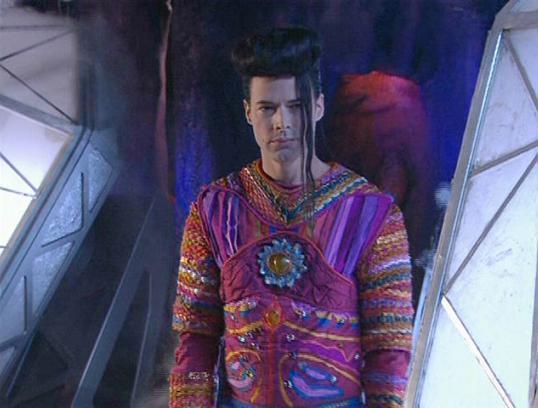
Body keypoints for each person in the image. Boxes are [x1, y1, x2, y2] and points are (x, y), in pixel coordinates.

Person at [169, 26, 413, 408]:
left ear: (318, 106)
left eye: (295, 106)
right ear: (248, 113)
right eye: (267, 108)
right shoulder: (213, 210)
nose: (281, 122)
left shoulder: (372, 214)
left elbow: (390, 350)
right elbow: (195, 339)